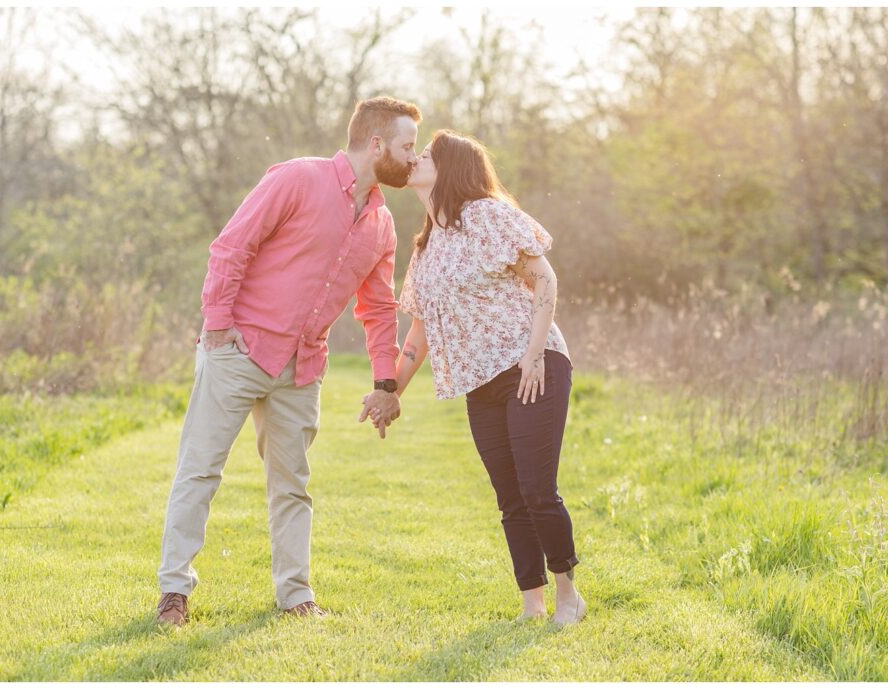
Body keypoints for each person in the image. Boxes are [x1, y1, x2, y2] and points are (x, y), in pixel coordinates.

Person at [156, 97, 420, 626]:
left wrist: (386, 381)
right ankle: (174, 592)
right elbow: (232, 246)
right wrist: (217, 326)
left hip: (303, 368)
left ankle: (295, 596)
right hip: (239, 352)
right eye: (407, 147)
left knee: (292, 484)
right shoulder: (299, 178)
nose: (414, 159)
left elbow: (378, 308)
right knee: (201, 470)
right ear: (375, 144)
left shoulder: (382, 224)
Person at [378, 129, 586, 625]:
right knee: (510, 497)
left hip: (529, 366)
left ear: (450, 168)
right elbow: (418, 334)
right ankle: (532, 603)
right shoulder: (426, 248)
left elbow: (546, 279)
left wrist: (534, 356)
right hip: (480, 382)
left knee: (538, 489)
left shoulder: (486, 216)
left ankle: (568, 596)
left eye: (425, 155)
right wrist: (390, 391)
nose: (415, 160)